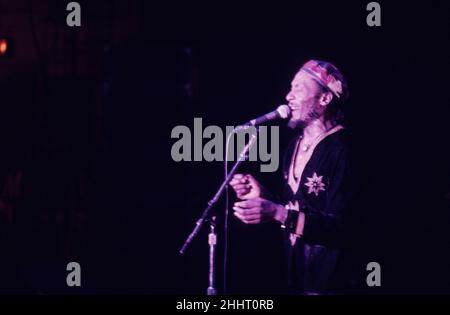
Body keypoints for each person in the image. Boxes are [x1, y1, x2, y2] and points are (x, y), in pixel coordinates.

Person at [230, 59, 356, 294]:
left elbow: (344, 227)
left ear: (325, 98)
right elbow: (300, 207)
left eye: (298, 88)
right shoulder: (293, 146)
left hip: (334, 285)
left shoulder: (344, 150)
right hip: (299, 281)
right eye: (290, 88)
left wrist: (277, 212)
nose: (288, 96)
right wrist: (264, 197)